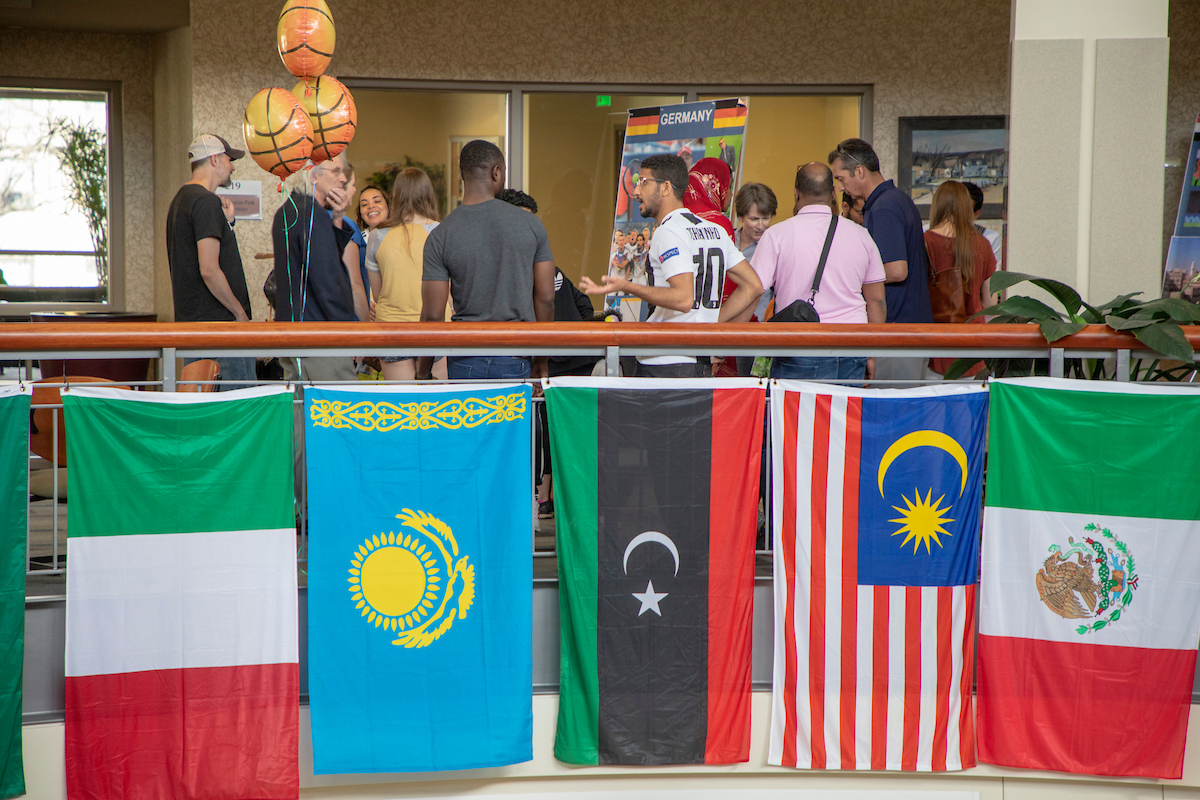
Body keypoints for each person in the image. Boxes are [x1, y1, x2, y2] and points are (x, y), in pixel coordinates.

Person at [578, 154, 763, 377]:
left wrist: (628, 286)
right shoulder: (714, 230)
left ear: (666, 188)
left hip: (665, 362)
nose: (636, 191)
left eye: (643, 182)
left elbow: (684, 299)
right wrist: (711, 325)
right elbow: (753, 286)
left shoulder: (668, 231)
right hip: (700, 363)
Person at [418, 139, 555, 381]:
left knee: (468, 419)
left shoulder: (441, 234)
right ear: (496, 172)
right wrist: (540, 361)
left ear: (463, 175)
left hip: (464, 354)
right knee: (514, 421)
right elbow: (545, 298)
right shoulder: (531, 224)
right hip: (516, 353)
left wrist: (423, 371)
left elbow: (432, 315)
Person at [751, 163, 887, 382]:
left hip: (800, 346)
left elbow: (752, 290)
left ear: (796, 193)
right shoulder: (862, 236)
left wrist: (724, 340)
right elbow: (877, 302)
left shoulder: (777, 235)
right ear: (833, 194)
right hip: (853, 347)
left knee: (796, 415)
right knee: (844, 415)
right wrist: (872, 354)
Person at [830, 137, 933, 383]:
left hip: (898, 330)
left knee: (893, 412)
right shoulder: (895, 199)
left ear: (859, 171)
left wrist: (853, 277)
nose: (841, 188)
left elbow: (897, 270)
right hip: (909, 328)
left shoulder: (884, 207)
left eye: (841, 179)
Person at [165, 134, 255, 390]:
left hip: (196, 329)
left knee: (203, 412)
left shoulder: (181, 200)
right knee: (236, 413)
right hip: (219, 331)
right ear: (214, 159)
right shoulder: (205, 201)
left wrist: (228, 223)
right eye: (229, 159)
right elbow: (209, 269)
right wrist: (240, 315)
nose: (233, 166)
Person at [272, 157, 360, 382]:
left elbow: (318, 260)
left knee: (300, 412)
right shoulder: (313, 215)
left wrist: (338, 217)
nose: (343, 178)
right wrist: (348, 331)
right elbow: (328, 281)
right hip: (319, 336)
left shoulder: (289, 210)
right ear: (313, 175)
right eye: (336, 171)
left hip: (293, 333)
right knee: (339, 413)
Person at [366, 167, 447, 381]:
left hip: (392, 329)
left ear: (397, 196)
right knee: (437, 407)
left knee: (400, 406)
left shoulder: (377, 236)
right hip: (436, 329)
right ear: (428, 194)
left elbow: (377, 293)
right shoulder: (442, 233)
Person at [924, 181, 998, 376]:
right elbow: (990, 301)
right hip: (973, 347)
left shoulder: (925, 242)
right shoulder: (983, 244)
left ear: (937, 205)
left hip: (937, 346)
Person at [336, 159, 371, 315]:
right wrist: (365, 328)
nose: (355, 190)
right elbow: (354, 284)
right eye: (352, 185)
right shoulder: (346, 226)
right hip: (349, 317)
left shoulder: (315, 219)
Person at [961, 181, 1003, 268]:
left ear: (976, 214)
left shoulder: (989, 237)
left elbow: (993, 277)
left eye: (963, 210)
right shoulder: (928, 234)